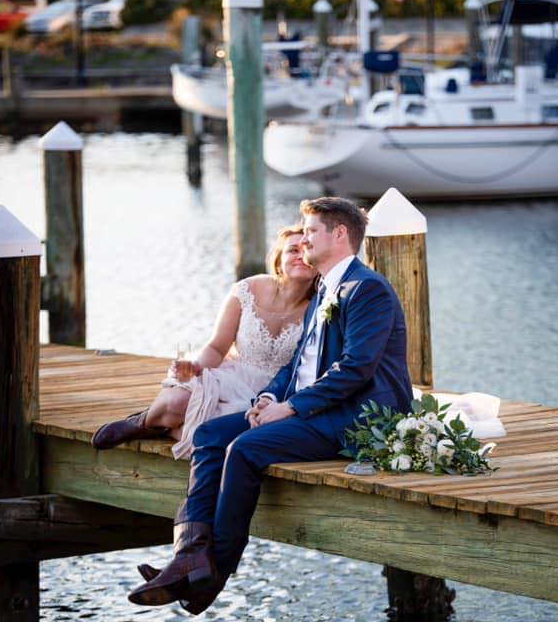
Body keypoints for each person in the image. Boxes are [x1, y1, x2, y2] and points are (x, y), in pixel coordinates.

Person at [127, 197, 414, 614]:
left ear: (339, 235)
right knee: (209, 435)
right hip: (316, 409)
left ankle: (213, 576)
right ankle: (189, 554)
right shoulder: (324, 290)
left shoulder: (367, 290)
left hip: (357, 418)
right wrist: (269, 397)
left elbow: (356, 368)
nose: (304, 239)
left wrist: (292, 407)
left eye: (312, 230)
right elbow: (300, 363)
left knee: (244, 449)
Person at [91, 225, 317, 459]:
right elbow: (217, 347)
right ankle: (143, 422)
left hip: (275, 392)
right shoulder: (249, 289)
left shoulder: (321, 306)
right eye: (292, 250)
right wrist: (195, 367)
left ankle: (172, 429)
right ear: (279, 261)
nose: (300, 256)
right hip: (234, 374)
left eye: (306, 250)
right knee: (181, 399)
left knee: (223, 427)